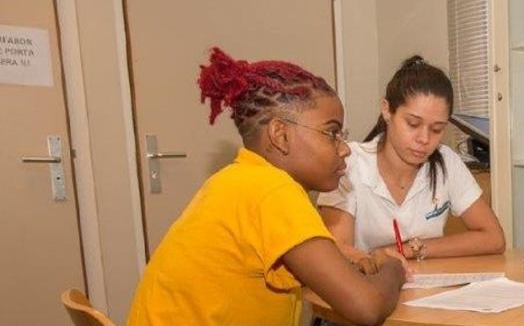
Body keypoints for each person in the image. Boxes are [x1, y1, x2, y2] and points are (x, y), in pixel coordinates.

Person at [129, 48, 406, 326]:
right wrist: (393, 267)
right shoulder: (273, 191)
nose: (344, 149)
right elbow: (366, 307)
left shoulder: (237, 179)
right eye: (332, 133)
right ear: (280, 135)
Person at [318, 55, 504, 274]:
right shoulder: (348, 163)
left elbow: (494, 238)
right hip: (367, 292)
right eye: (413, 124)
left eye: (436, 129)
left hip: (425, 294)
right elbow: (337, 251)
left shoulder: (446, 162)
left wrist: (408, 250)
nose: (424, 139)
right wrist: (373, 259)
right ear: (387, 110)